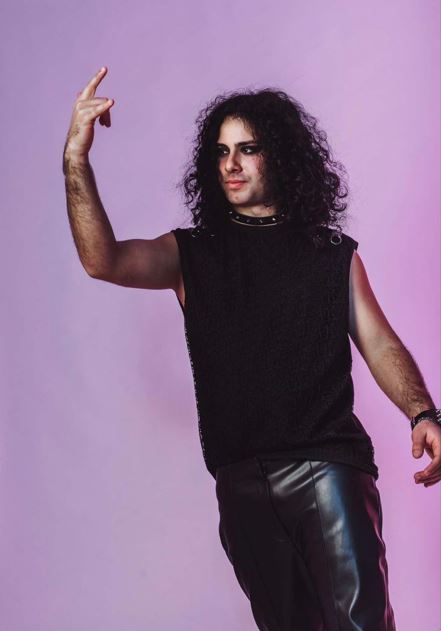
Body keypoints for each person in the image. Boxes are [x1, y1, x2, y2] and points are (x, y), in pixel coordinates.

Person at [63, 66, 441, 631]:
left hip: (326, 468)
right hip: (240, 480)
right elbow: (103, 260)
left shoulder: (331, 253)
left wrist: (423, 412)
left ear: (281, 155)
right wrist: (76, 159)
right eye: (221, 151)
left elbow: (379, 341)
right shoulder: (192, 253)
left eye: (248, 148)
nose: (231, 164)